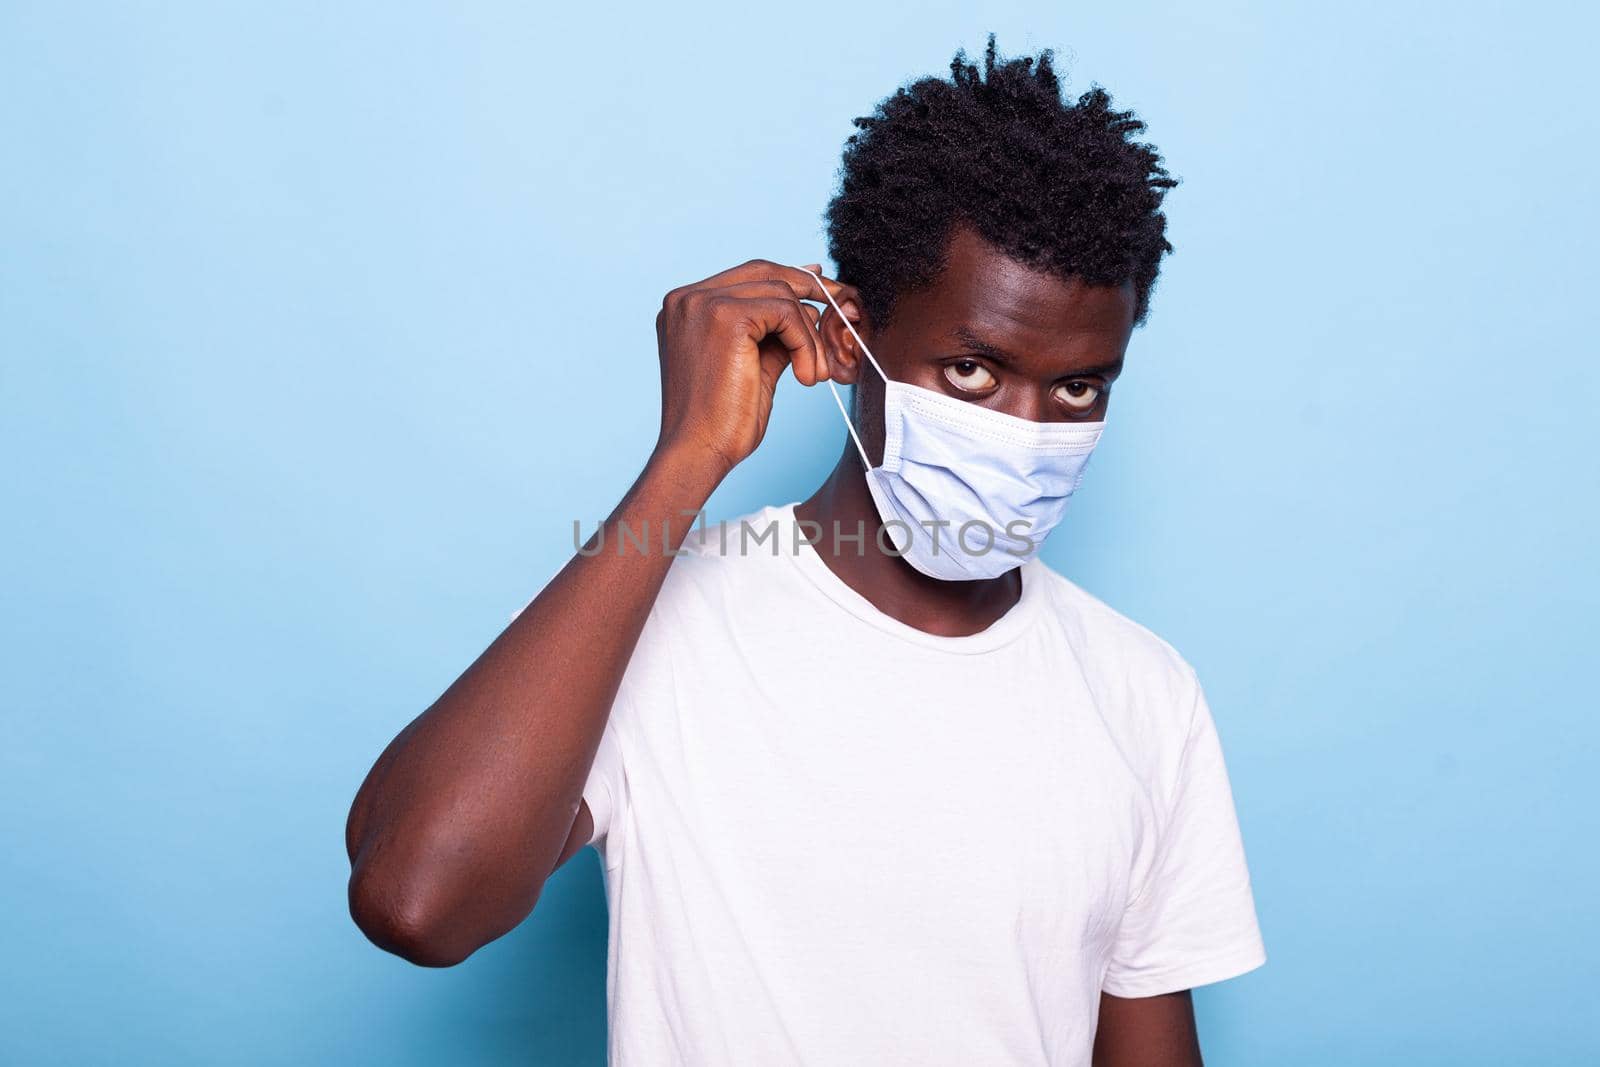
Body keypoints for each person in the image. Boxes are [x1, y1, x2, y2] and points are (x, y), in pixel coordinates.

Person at [346, 37, 1265, 1067]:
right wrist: (689, 453)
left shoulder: (1142, 692)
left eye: (1080, 387)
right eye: (971, 369)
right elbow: (418, 899)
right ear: (848, 335)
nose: (1026, 426)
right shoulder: (650, 625)